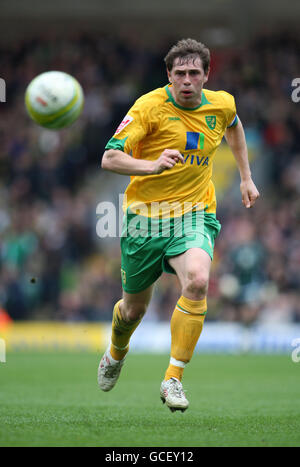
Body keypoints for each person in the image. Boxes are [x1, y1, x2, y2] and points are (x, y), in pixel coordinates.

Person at [98, 38, 260, 412]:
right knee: (131, 311)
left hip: (194, 213)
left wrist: (245, 177)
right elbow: (110, 158)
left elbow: (234, 127)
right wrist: (150, 165)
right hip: (145, 220)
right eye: (179, 74)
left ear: (206, 76)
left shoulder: (222, 104)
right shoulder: (148, 107)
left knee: (199, 281)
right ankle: (116, 352)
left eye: (194, 73)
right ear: (168, 76)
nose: (186, 80)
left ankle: (173, 378)